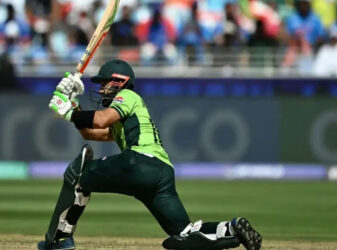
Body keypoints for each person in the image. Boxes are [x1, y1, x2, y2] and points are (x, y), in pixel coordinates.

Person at [37, 59, 262, 250]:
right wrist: (73, 104)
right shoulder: (123, 119)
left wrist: (66, 111)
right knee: (183, 234)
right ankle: (232, 228)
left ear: (119, 81)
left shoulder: (127, 96)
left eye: (104, 83)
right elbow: (90, 132)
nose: (102, 89)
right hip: (161, 172)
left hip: (140, 163)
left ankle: (59, 240)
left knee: (80, 175)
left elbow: (101, 119)